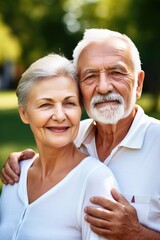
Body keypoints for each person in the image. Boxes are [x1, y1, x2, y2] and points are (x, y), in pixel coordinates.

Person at [1, 28, 160, 240]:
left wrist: (138, 234)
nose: (103, 87)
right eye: (91, 76)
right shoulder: (70, 134)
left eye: (116, 72)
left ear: (138, 84)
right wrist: (20, 162)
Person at [0, 53, 119, 240]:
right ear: (24, 114)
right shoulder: (15, 175)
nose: (59, 115)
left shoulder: (95, 181)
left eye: (69, 103)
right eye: (46, 105)